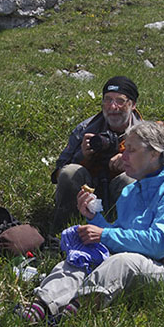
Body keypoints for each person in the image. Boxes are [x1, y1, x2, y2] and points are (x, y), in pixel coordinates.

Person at [21, 121, 164, 326]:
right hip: (139, 260)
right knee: (81, 257)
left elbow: (161, 243)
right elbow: (122, 234)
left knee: (122, 263)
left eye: (131, 150)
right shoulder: (132, 190)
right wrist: (94, 219)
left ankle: (71, 318)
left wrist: (103, 234)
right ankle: (41, 306)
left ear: (154, 154)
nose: (123, 157)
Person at [50, 76, 144, 234]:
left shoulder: (145, 134)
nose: (112, 106)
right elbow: (59, 172)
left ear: (132, 105)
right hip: (88, 192)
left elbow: (160, 174)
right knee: (70, 172)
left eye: (120, 101)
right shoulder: (85, 129)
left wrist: (131, 163)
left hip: (121, 196)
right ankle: (62, 232)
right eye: (108, 100)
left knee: (130, 180)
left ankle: (127, 234)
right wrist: (83, 158)